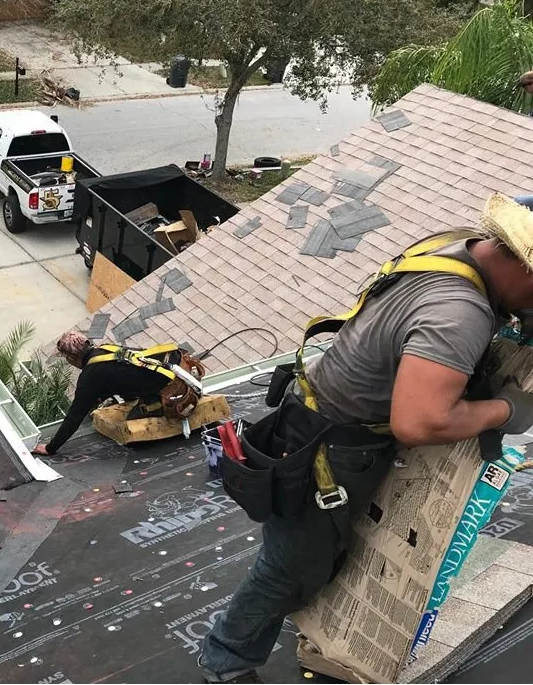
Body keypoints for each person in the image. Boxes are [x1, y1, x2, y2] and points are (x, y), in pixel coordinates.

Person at [199, 193, 533, 684]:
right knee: (290, 566)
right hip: (327, 446)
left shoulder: (455, 247)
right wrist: (505, 410)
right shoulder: (459, 313)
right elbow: (418, 423)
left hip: (316, 413)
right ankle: (226, 663)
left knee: (312, 554)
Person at [30, 331, 178, 456]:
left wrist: (51, 447)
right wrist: (104, 393)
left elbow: (74, 416)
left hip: (168, 387)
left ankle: (157, 406)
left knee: (130, 427)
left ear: (71, 358)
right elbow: (123, 372)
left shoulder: (90, 376)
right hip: (173, 366)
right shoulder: (106, 349)